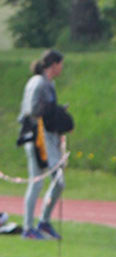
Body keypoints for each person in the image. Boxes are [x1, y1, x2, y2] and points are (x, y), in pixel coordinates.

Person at [17, 49, 67, 241]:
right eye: (60, 64)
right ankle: (28, 228)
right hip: (36, 138)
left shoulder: (48, 83)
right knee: (37, 182)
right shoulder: (38, 82)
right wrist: (54, 114)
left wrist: (58, 118)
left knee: (58, 181)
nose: (62, 68)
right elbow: (31, 111)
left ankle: (44, 222)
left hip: (48, 138)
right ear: (53, 65)